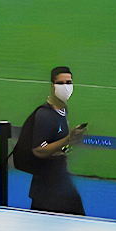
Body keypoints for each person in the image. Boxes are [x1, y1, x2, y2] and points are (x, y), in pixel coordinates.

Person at [20, 66, 87, 215]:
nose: (66, 87)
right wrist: (68, 139)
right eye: (61, 83)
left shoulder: (62, 111)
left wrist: (69, 142)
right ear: (52, 86)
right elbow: (38, 150)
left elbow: (56, 145)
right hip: (48, 188)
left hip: (58, 183)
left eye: (69, 82)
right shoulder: (45, 115)